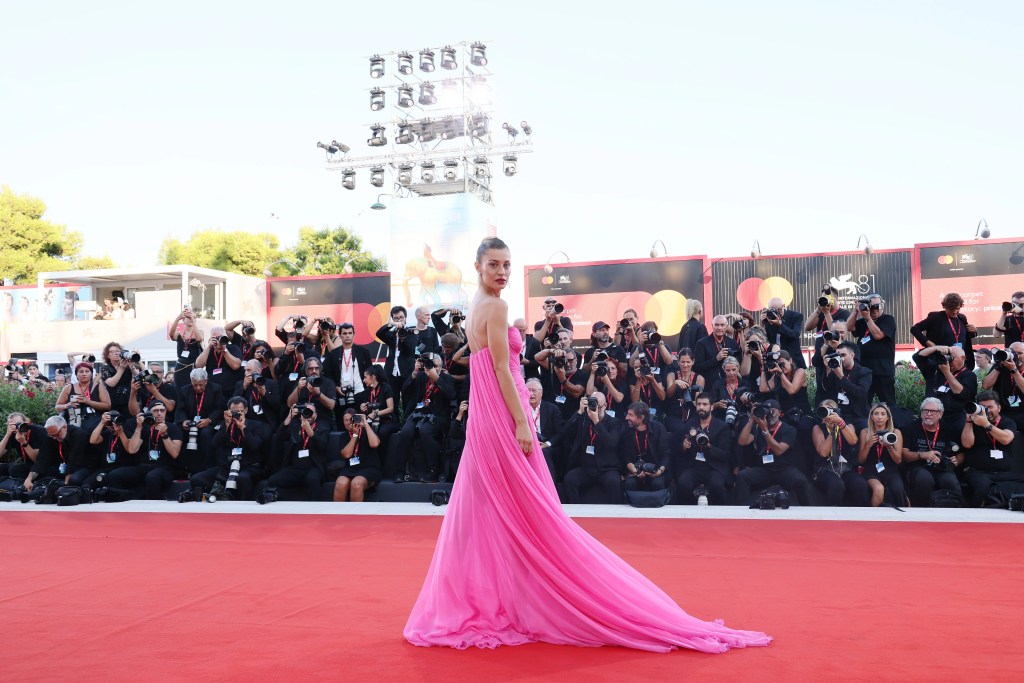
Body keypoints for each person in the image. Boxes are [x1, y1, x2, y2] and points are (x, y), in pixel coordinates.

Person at [404, 236, 771, 653]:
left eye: (507, 264)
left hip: (485, 419)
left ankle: (502, 597)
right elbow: (505, 374)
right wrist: (523, 423)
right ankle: (538, 593)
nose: (502, 272)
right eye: (494, 265)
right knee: (534, 512)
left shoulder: (474, 304)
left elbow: (481, 363)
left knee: (494, 509)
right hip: (503, 417)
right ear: (478, 266)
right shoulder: (498, 306)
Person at [959, 390, 1020, 507]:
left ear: (999, 408)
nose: (987, 410)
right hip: (977, 472)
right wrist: (968, 421)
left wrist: (986, 424)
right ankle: (976, 513)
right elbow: (967, 444)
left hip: (1003, 473)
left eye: (990, 407)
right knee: (983, 486)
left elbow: (1006, 438)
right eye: (983, 407)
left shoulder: (1007, 422)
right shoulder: (972, 422)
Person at [901, 397, 962, 507]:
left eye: (932, 411)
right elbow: (904, 454)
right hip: (918, 467)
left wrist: (957, 460)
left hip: (941, 467)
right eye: (925, 411)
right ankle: (921, 511)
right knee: (924, 479)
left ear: (940, 414)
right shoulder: (910, 428)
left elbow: (961, 452)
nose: (928, 414)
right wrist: (922, 455)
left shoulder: (949, 430)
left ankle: (953, 512)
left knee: (950, 481)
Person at [810, 400, 869, 507]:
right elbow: (823, 452)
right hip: (825, 468)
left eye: (829, 409)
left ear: (837, 411)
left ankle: (862, 517)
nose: (826, 413)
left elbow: (853, 441)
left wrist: (840, 424)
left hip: (845, 468)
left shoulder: (848, 426)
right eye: (823, 410)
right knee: (837, 484)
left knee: (860, 484)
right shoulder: (818, 428)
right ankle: (834, 517)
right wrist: (832, 432)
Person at [857, 402, 907, 507]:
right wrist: (868, 445)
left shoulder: (895, 432)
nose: (879, 417)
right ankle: (873, 520)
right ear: (871, 416)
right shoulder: (865, 432)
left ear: (888, 417)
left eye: (883, 414)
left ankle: (904, 518)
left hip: (890, 470)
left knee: (899, 490)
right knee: (879, 489)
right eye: (876, 414)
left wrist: (889, 447)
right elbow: (861, 460)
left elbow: (898, 460)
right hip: (871, 470)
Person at [911, 292, 977, 371]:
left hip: (960, 362)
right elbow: (915, 329)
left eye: (958, 308)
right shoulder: (936, 317)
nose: (955, 311)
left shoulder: (962, 318)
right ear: (944, 306)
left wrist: (974, 331)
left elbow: (966, 336)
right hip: (942, 361)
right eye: (952, 309)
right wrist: (928, 343)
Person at [852, 294, 898, 405]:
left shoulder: (888, 319)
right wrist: (855, 311)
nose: (876, 309)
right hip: (864, 371)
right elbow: (849, 327)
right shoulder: (863, 322)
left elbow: (878, 335)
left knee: (888, 404)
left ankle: (892, 423)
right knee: (863, 404)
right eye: (872, 306)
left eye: (878, 305)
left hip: (883, 371)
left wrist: (868, 318)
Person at [759, 297, 805, 368]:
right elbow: (763, 340)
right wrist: (762, 324)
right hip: (773, 359)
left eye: (778, 310)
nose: (775, 313)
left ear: (784, 306)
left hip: (792, 360)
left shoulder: (796, 316)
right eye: (772, 310)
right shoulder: (768, 318)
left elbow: (795, 335)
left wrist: (780, 325)